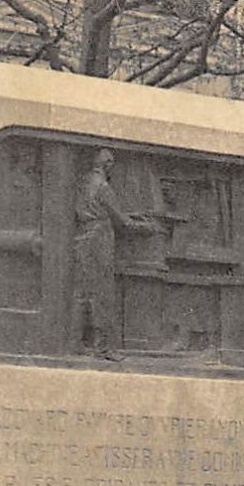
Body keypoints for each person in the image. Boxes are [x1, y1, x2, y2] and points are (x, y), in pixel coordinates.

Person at [71, 148, 152, 361]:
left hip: (81, 237)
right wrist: (146, 227)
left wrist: (129, 216)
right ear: (107, 165)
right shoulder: (104, 186)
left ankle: (75, 343)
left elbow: (103, 209)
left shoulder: (83, 181)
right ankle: (103, 349)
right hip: (99, 239)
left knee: (82, 291)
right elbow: (122, 221)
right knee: (103, 293)